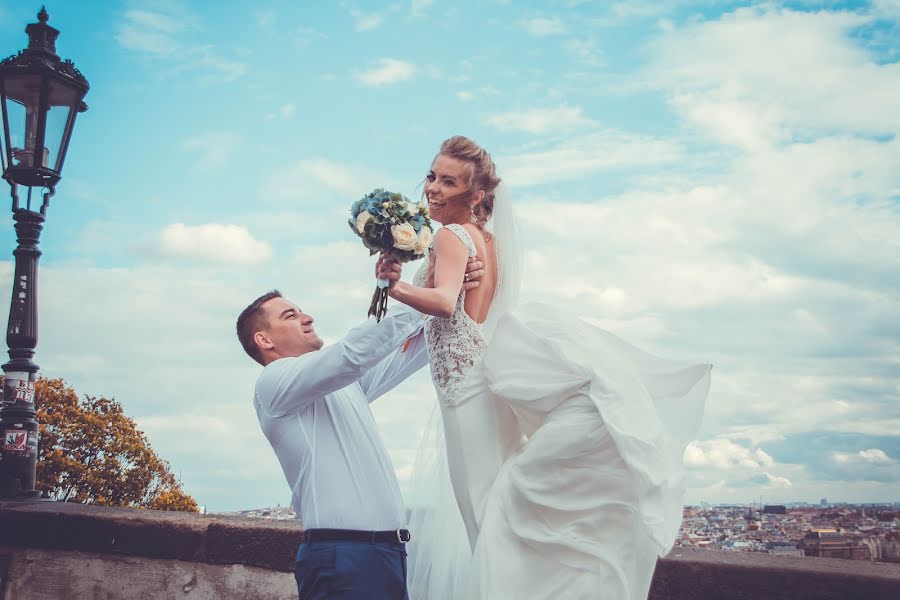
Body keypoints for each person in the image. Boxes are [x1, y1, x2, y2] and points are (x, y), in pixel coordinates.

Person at [376, 135, 712, 599]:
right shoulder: (486, 241)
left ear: (475, 196)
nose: (432, 188)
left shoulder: (451, 235)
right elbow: (455, 308)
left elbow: (441, 302)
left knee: (481, 510)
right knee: (491, 502)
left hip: (462, 389)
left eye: (447, 181)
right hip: (476, 379)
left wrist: (393, 285)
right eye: (432, 176)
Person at [235, 260, 483, 600]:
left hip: (387, 554)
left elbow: (406, 354)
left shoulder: (343, 386)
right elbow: (352, 353)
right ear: (263, 339)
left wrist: (454, 293)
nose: (308, 318)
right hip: (343, 556)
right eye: (290, 316)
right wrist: (416, 298)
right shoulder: (273, 383)